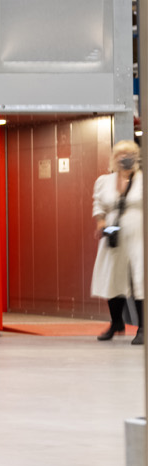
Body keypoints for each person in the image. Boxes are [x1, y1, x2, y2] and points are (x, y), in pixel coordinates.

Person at [90, 141, 143, 344]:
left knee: (139, 278)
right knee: (113, 276)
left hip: (139, 235)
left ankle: (143, 328)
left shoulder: (142, 180)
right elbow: (99, 205)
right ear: (114, 157)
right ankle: (116, 323)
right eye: (121, 153)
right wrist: (101, 223)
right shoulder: (104, 181)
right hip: (114, 234)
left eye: (130, 153)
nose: (125, 157)